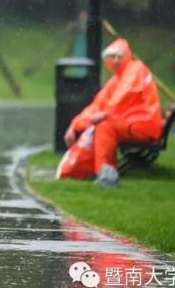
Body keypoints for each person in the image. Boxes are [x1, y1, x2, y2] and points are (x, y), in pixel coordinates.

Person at [57, 38, 162, 188]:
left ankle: (105, 173)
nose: (115, 60)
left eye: (119, 56)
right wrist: (75, 124)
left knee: (104, 126)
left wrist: (102, 115)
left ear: (127, 56)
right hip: (131, 123)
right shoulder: (117, 79)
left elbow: (123, 96)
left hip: (143, 123)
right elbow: (97, 105)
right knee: (103, 125)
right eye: (111, 57)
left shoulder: (136, 69)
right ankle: (106, 172)